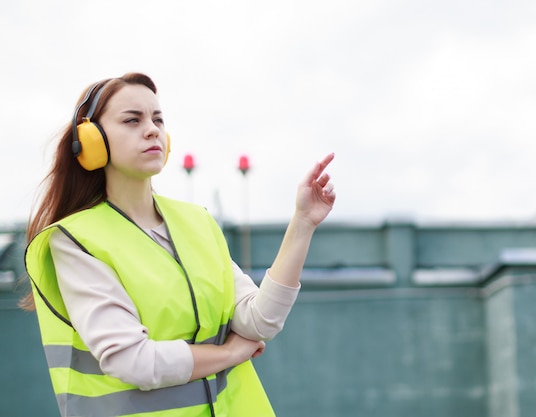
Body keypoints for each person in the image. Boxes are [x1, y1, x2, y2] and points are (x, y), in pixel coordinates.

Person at [22, 72, 336, 417]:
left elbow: (260, 321)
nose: (152, 129)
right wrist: (231, 354)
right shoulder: (76, 241)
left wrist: (303, 223)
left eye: (158, 119)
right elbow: (134, 361)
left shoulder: (196, 222)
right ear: (92, 140)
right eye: (132, 120)